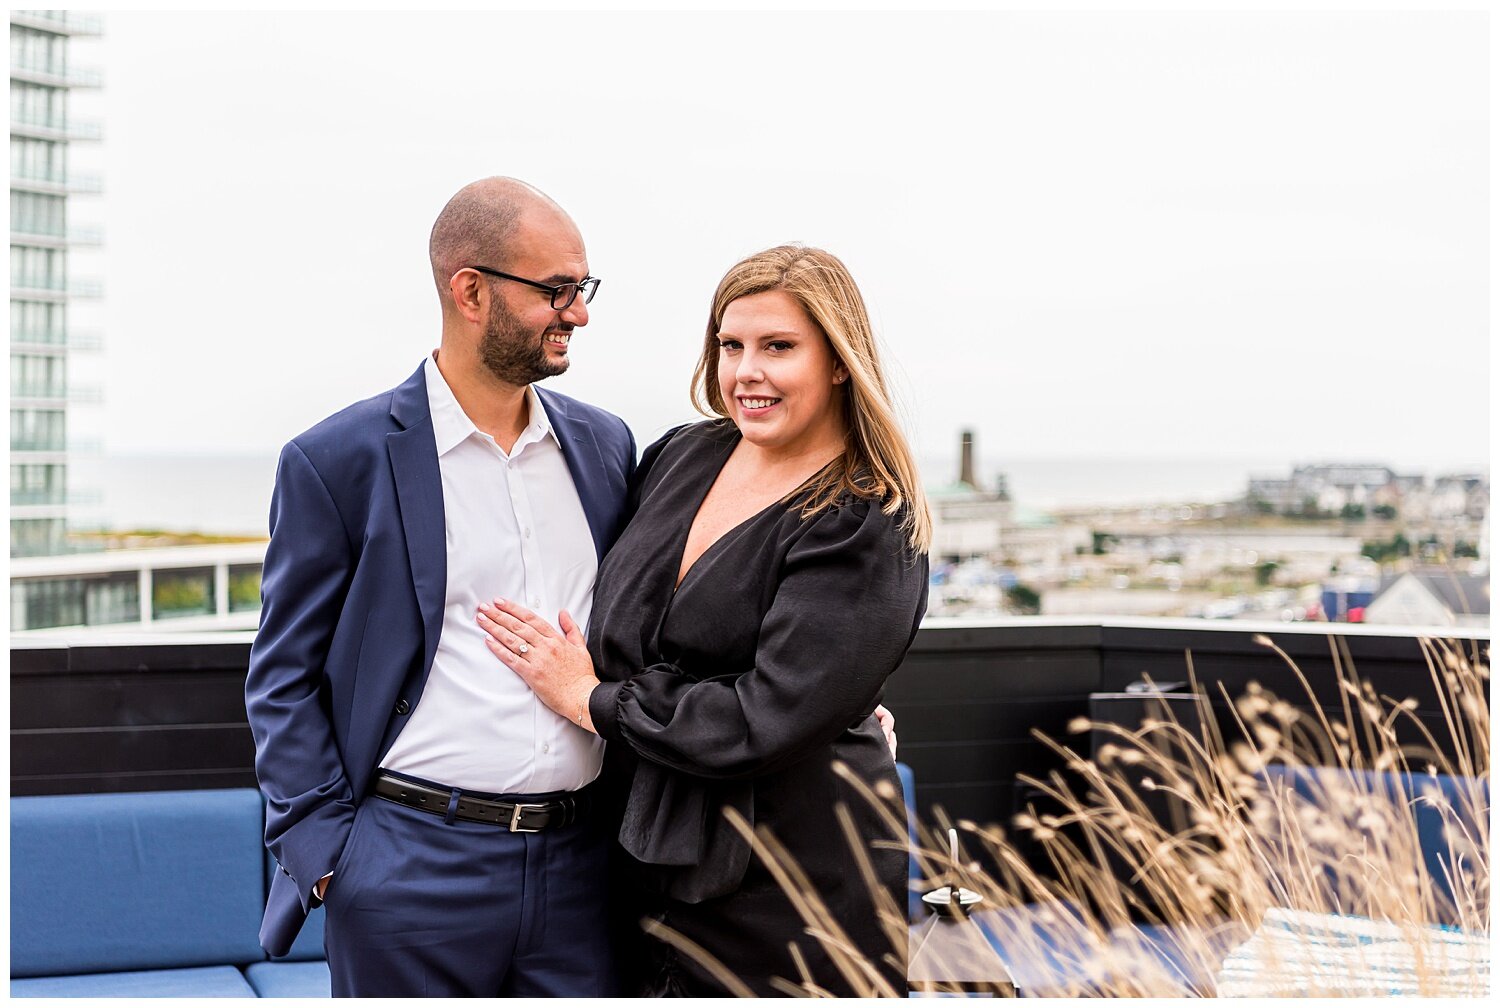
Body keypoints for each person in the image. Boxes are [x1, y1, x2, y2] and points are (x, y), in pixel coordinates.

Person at [478, 244, 932, 996]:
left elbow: (762, 718)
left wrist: (587, 699)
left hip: (791, 883)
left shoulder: (863, 516)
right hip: (635, 858)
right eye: (731, 346)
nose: (746, 370)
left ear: (841, 362)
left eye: (778, 347)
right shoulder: (684, 455)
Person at [244, 177, 634, 997]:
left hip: (583, 872)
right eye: (558, 291)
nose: (580, 314)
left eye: (584, 288)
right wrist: (327, 858)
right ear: (471, 291)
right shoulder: (335, 461)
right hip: (409, 871)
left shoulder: (605, 447)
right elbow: (281, 676)